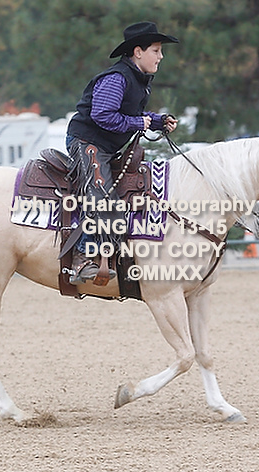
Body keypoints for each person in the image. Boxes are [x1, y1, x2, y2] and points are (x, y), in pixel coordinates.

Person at [65, 21, 179, 285]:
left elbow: (130, 113)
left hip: (105, 146)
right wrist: (139, 123)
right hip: (87, 142)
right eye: (156, 50)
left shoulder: (136, 79)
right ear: (138, 52)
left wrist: (157, 121)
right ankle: (82, 258)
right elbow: (102, 114)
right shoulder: (116, 78)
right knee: (101, 194)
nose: (161, 56)